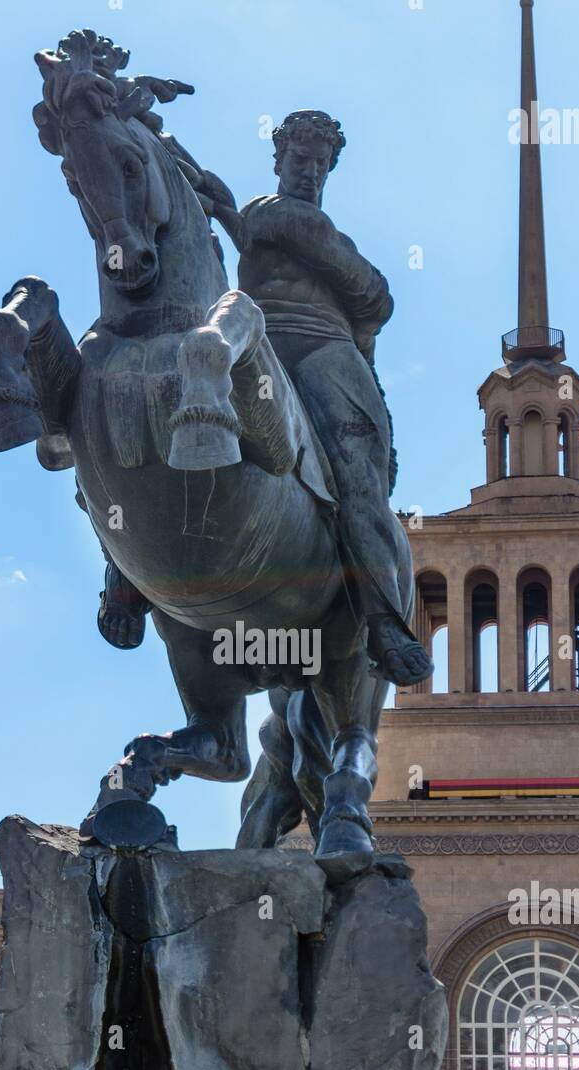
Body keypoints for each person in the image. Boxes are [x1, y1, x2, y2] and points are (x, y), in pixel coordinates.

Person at [100, 109, 434, 686]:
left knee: (357, 475)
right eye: (299, 161)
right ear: (279, 162)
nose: (309, 172)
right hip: (261, 345)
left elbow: (378, 299)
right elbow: (194, 184)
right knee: (163, 406)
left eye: (320, 165)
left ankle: (383, 619)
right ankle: (124, 574)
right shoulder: (259, 215)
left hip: (326, 353)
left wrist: (303, 236)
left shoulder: (281, 220)